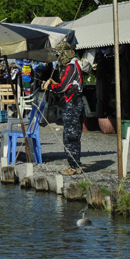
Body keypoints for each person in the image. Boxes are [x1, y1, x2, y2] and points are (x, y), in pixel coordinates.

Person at [46, 45, 85, 176]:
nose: (58, 57)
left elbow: (62, 87)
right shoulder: (74, 66)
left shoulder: (71, 66)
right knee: (72, 135)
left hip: (73, 104)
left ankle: (74, 166)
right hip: (74, 103)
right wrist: (53, 83)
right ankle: (74, 165)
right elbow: (65, 83)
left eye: (59, 54)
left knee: (70, 136)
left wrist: (50, 86)